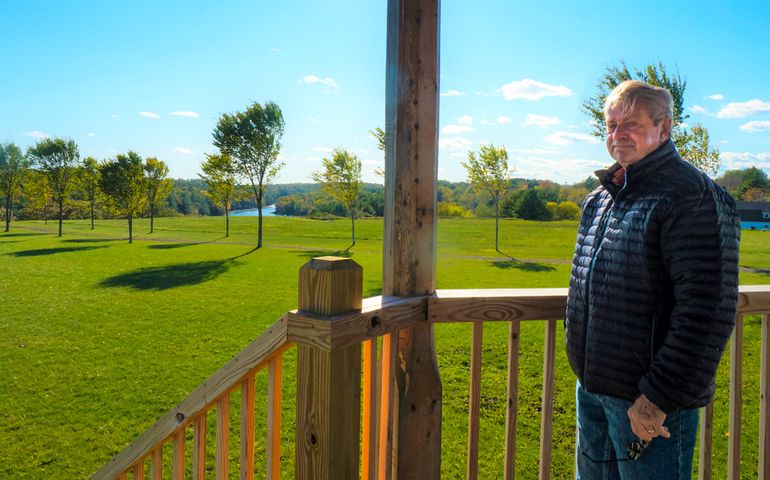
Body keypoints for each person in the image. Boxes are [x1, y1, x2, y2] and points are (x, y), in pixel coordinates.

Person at [565, 80, 739, 479]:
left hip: (649, 404)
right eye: (610, 125)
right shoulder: (600, 199)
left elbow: (707, 310)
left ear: (664, 129)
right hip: (593, 390)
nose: (617, 134)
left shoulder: (690, 196)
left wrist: (657, 396)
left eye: (631, 124)